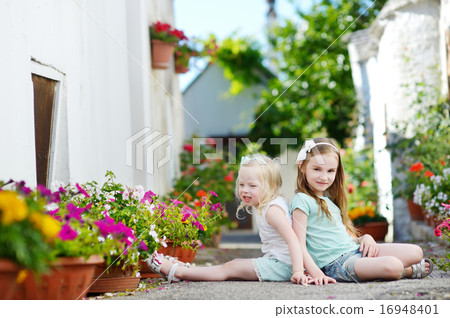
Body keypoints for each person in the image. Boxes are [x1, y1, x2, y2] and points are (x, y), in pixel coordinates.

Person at [147, 154, 312, 285]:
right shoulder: (269, 204)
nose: (245, 190)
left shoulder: (272, 211)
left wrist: (297, 271)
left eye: (252, 186)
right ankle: (184, 268)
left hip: (283, 266)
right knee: (233, 265)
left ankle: (178, 272)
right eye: (241, 184)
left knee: (230, 268)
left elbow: (293, 240)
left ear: (270, 187)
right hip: (278, 263)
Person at [290, 137, 433, 285]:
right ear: (302, 166)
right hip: (337, 264)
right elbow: (298, 244)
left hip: (355, 250)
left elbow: (343, 238)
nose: (324, 177)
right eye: (317, 169)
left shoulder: (331, 203)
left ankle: (379, 267)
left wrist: (364, 238)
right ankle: (407, 271)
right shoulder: (302, 200)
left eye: (330, 171)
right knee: (394, 266)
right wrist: (317, 274)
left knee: (417, 252)